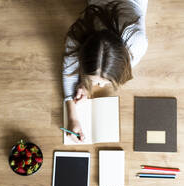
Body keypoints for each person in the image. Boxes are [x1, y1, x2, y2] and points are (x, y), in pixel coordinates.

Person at [62, 0, 148, 143]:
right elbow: (67, 73)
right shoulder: (76, 37)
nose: (99, 86)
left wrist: (88, 80)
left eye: (104, 82)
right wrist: (73, 117)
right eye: (96, 82)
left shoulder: (137, 44)